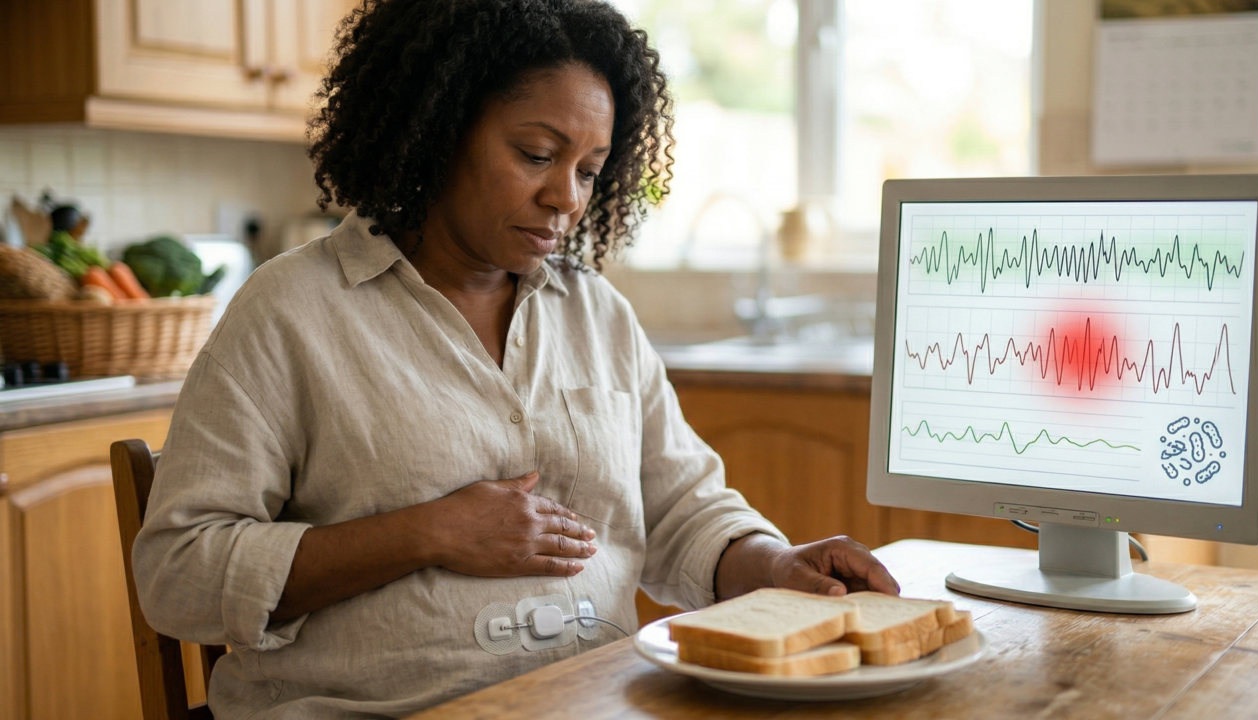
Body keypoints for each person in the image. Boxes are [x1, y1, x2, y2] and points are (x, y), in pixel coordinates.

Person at [132, 0, 899, 716]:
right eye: (537, 153)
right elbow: (178, 571)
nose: (566, 196)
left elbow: (680, 512)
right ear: (439, 127)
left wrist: (774, 562)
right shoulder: (291, 311)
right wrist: (424, 533)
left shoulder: (596, 312)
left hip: (594, 698)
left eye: (589, 170)